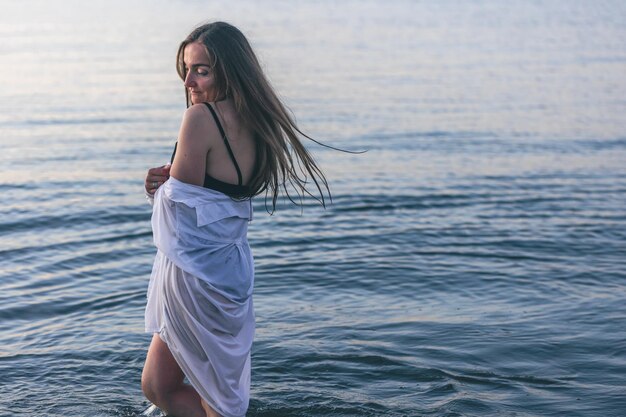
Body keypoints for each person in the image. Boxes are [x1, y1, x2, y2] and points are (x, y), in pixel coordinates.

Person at [140, 22, 329, 417]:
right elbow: (214, 194)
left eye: (201, 70)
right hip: (231, 267)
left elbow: (183, 211)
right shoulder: (261, 123)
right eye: (188, 69)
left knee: (188, 391)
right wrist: (171, 183)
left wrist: (158, 189)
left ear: (228, 71)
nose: (189, 80)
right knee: (174, 385)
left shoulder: (200, 119)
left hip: (197, 273)